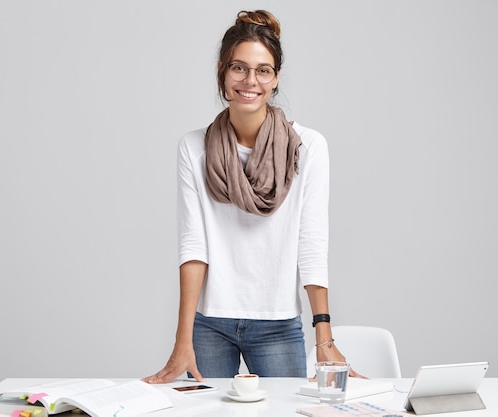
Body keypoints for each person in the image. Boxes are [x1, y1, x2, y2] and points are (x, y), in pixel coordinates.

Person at [143, 9, 362, 383]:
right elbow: (194, 245)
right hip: (210, 324)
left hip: (277, 322)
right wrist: (182, 340)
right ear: (222, 73)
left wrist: (324, 337)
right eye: (239, 68)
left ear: (276, 79)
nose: (250, 80)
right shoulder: (194, 148)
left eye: (263, 70)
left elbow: (311, 242)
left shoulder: (307, 147)